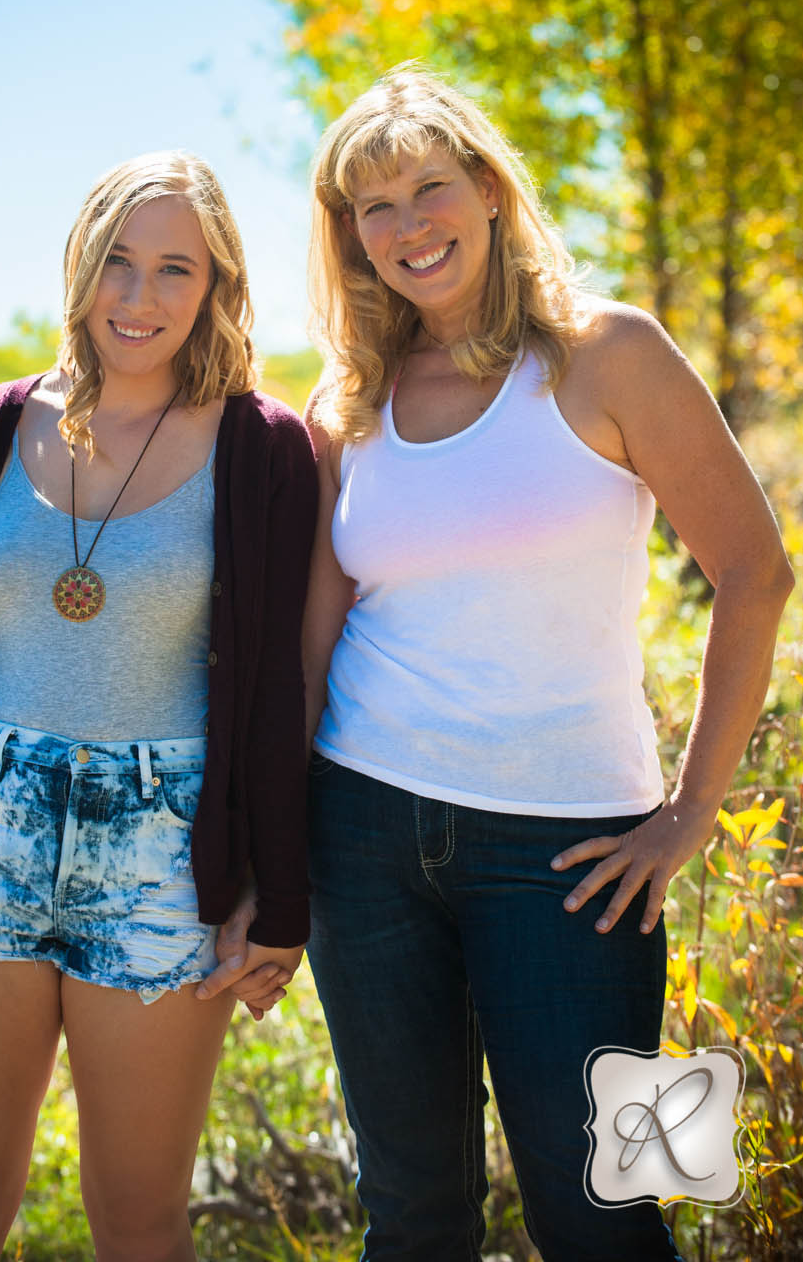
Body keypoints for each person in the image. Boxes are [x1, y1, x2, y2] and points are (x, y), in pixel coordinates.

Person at [301, 65, 794, 1262]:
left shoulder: (608, 351)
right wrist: (274, 843)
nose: (410, 224)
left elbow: (758, 570)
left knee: (618, 1211)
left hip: (579, 853)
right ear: (350, 237)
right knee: (411, 1216)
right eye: (375, 206)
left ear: (486, 187)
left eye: (430, 187)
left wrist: (688, 817)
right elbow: (313, 643)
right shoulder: (344, 406)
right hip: (361, 838)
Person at [0, 151, 316, 1262]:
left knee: (141, 1220)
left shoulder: (264, 450)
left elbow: (273, 693)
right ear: (80, 264)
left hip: (160, 852)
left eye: (173, 269)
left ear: (215, 287)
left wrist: (279, 900)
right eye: (117, 261)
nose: (139, 297)